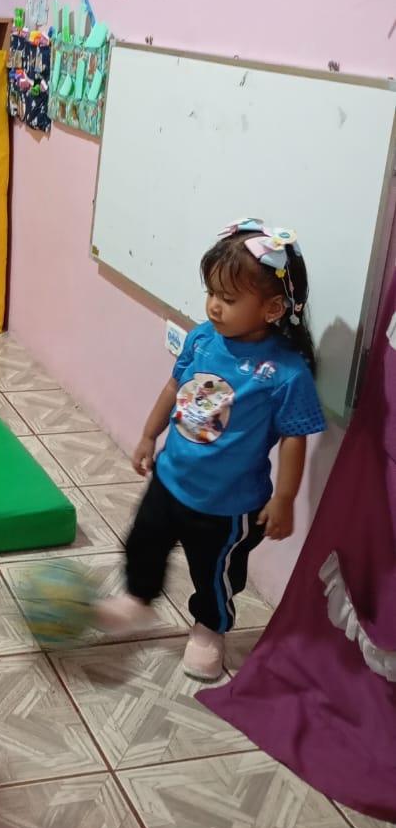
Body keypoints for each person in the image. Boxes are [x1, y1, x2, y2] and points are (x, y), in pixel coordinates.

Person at [95, 219, 327, 680]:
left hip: (228, 505)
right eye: (211, 293)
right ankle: (138, 598)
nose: (214, 306)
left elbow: (294, 438)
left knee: (215, 573)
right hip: (170, 479)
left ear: (272, 308)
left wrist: (283, 498)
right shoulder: (202, 338)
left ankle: (209, 627)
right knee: (143, 541)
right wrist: (149, 436)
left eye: (229, 298)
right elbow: (173, 387)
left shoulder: (285, 373)